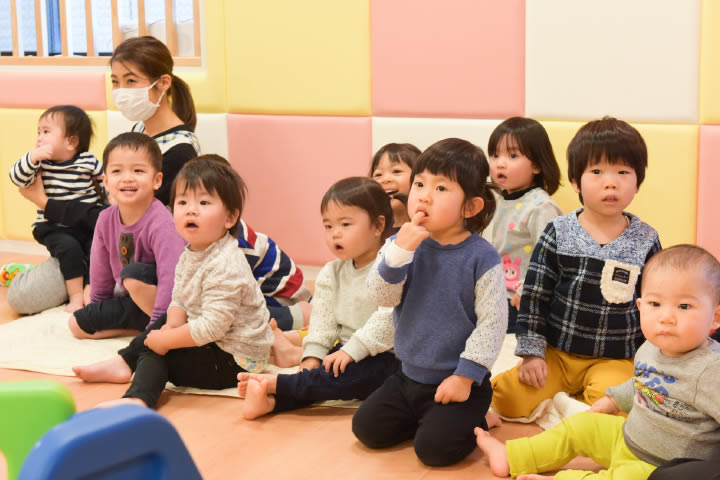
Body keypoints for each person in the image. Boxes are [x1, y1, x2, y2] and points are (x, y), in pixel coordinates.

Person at [475, 244, 720, 480]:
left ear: (715, 317)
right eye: (655, 304)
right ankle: (512, 456)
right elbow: (643, 382)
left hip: (658, 465)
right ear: (640, 307)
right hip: (626, 438)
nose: (666, 317)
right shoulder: (650, 348)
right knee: (579, 427)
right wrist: (613, 400)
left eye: (684, 306)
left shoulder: (710, 369)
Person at [6, 36, 200, 315]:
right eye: (115, 81)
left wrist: (46, 203)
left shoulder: (179, 150)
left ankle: (67, 275)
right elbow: (108, 210)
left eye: (131, 81)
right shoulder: (138, 132)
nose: (121, 90)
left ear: (164, 83)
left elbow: (126, 220)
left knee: (26, 296)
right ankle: (67, 273)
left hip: (136, 253)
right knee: (25, 295)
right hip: (100, 240)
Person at [491, 116, 662, 420]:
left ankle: (577, 406)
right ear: (575, 182)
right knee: (506, 398)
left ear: (638, 181)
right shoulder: (558, 231)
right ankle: (568, 400)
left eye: (623, 172)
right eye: (596, 172)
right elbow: (535, 295)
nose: (610, 182)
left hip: (615, 358)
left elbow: (655, 302)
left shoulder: (646, 240)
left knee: (620, 408)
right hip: (557, 352)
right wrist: (532, 352)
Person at [351, 138, 507, 467]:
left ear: (470, 207)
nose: (423, 195)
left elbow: (492, 323)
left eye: (440, 188)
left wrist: (466, 377)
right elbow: (381, 297)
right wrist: (398, 255)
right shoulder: (399, 243)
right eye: (420, 183)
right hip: (407, 376)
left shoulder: (482, 256)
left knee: (433, 451)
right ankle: (431, 419)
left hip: (460, 380)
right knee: (366, 428)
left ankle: (475, 414)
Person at [73, 156, 274, 409]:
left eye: (203, 202)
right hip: (215, 338)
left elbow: (212, 328)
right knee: (161, 326)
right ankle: (125, 362)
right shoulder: (192, 251)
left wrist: (166, 340)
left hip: (235, 359)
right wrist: (172, 325)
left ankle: (138, 399)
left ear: (230, 218)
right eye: (182, 202)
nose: (191, 209)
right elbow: (179, 298)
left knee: (157, 350)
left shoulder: (226, 264)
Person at [237, 177, 398, 419]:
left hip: (384, 356)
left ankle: (275, 386)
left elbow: (389, 320)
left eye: (345, 224)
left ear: (377, 226)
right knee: (321, 378)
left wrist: (352, 351)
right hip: (344, 350)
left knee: (337, 378)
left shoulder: (391, 268)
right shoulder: (331, 272)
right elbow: (323, 323)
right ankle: (271, 403)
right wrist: (311, 358)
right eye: (328, 226)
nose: (335, 235)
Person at [67, 132, 185, 339]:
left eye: (138, 170)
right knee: (77, 324)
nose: (127, 178)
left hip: (171, 304)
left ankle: (153, 327)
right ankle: (138, 328)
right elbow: (100, 271)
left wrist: (159, 324)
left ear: (157, 180)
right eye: (117, 171)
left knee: (133, 275)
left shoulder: (163, 223)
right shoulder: (105, 219)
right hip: (132, 300)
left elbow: (172, 279)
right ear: (105, 180)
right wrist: (97, 310)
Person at [6, 105, 103, 312]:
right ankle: (75, 296)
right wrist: (32, 157)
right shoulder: (41, 164)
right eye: (38, 132)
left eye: (47, 132)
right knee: (69, 248)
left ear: (72, 142)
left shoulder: (88, 161)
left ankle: (91, 288)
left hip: (86, 225)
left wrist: (110, 195)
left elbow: (106, 182)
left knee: (97, 246)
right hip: (53, 226)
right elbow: (16, 177)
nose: (40, 137)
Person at [483, 117, 562, 333]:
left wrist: (529, 290)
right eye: (495, 155)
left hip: (520, 300)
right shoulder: (498, 200)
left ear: (536, 164)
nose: (500, 163)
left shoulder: (540, 206)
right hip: (495, 293)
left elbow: (550, 259)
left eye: (512, 155)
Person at [370, 143, 421, 229]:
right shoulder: (373, 231)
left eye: (396, 171)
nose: (385, 179)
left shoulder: (430, 229)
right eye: (378, 175)